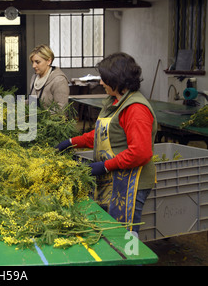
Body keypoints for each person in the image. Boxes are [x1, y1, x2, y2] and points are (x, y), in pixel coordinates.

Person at [56, 52, 157, 234]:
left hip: (131, 183)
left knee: (125, 238)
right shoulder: (115, 101)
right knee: (111, 234)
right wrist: (71, 142)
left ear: (116, 79)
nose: (101, 83)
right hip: (114, 179)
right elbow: (103, 133)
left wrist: (105, 166)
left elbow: (140, 153)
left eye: (104, 79)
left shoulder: (136, 109)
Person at [29, 44, 70, 110]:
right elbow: (32, 102)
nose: (33, 66)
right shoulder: (34, 77)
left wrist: (42, 116)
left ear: (48, 61)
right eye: (32, 62)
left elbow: (61, 109)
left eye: (37, 62)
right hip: (34, 119)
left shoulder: (59, 80)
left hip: (51, 120)